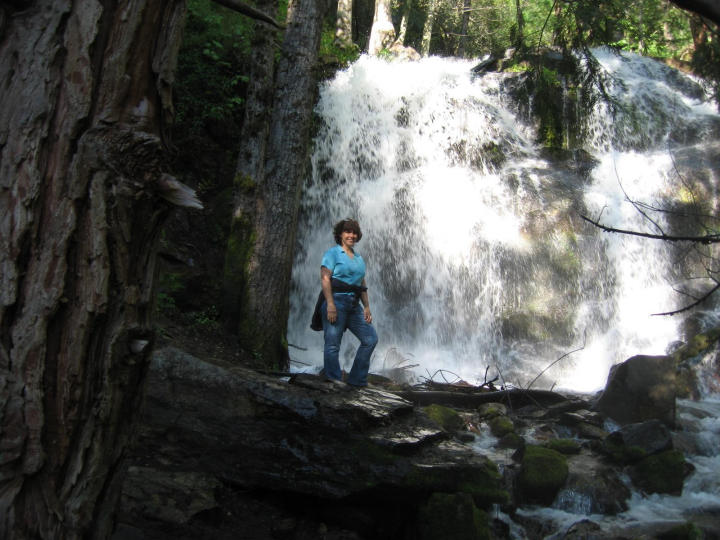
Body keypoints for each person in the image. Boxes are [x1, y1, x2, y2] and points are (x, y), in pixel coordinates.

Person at [318, 218, 378, 387]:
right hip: (336, 300)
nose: (351, 235)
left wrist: (366, 306)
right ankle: (334, 380)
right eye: (347, 232)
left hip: (354, 304)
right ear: (340, 234)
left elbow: (362, 284)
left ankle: (357, 380)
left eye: (354, 232)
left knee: (370, 338)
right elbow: (325, 278)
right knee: (332, 344)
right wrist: (330, 304)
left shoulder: (359, 258)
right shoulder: (332, 253)